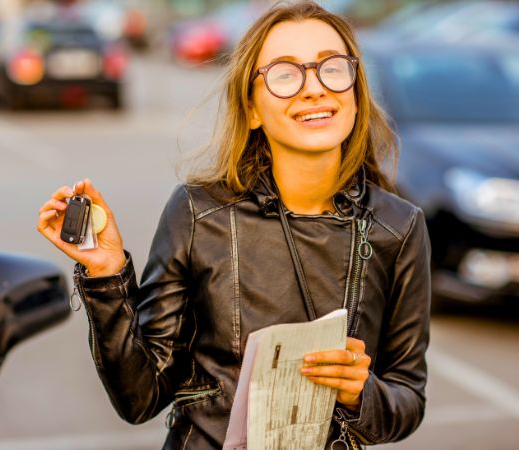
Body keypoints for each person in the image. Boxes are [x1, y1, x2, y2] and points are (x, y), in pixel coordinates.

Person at [37, 2, 430, 449]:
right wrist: (106, 275)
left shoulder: (399, 227)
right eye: (285, 74)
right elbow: (140, 398)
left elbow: (408, 398)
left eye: (332, 68)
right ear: (252, 108)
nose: (315, 88)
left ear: (355, 90)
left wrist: (363, 392)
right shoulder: (197, 212)